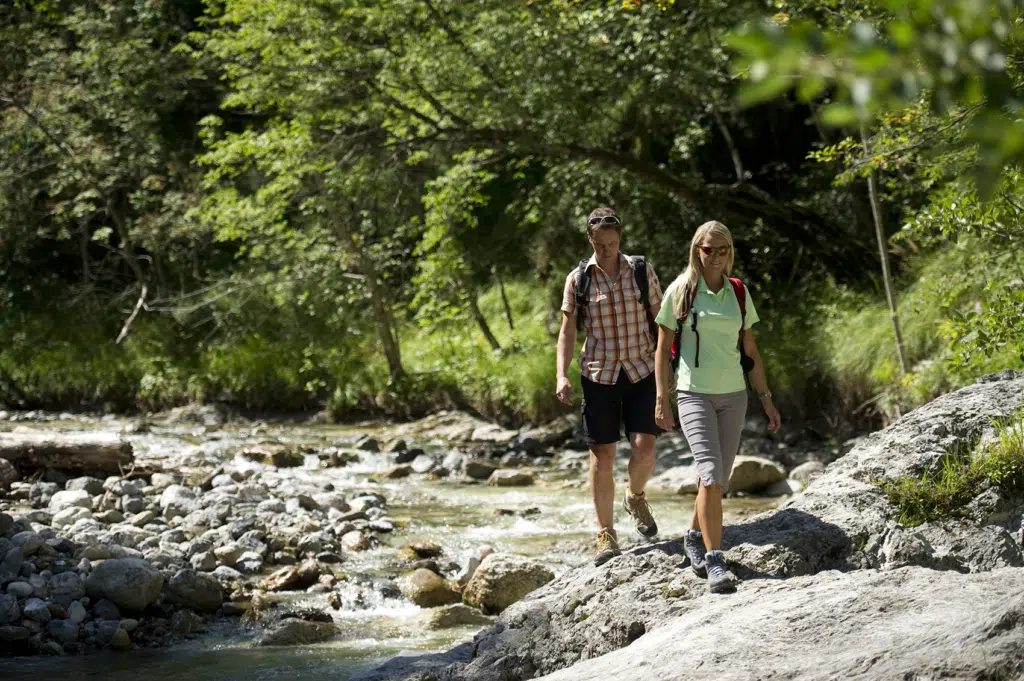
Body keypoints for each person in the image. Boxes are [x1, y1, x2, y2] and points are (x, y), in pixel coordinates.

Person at [653, 220, 781, 594]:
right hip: (694, 394)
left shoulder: (738, 292)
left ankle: (692, 536)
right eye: (709, 249)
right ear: (697, 250)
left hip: (734, 395)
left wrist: (766, 399)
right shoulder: (681, 291)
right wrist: (663, 398)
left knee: (718, 480)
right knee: (709, 476)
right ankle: (715, 561)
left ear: (730, 253)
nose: (716, 257)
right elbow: (662, 352)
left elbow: (751, 351)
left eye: (723, 250)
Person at [556, 207, 665, 567]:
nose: (607, 251)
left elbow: (662, 320)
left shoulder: (639, 270)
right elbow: (568, 330)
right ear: (590, 239)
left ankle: (635, 497)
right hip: (598, 373)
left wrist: (670, 368)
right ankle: (606, 533)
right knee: (603, 456)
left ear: (620, 239)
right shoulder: (578, 279)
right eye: (601, 245)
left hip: (642, 369)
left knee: (644, 448)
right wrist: (561, 374)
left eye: (613, 244)